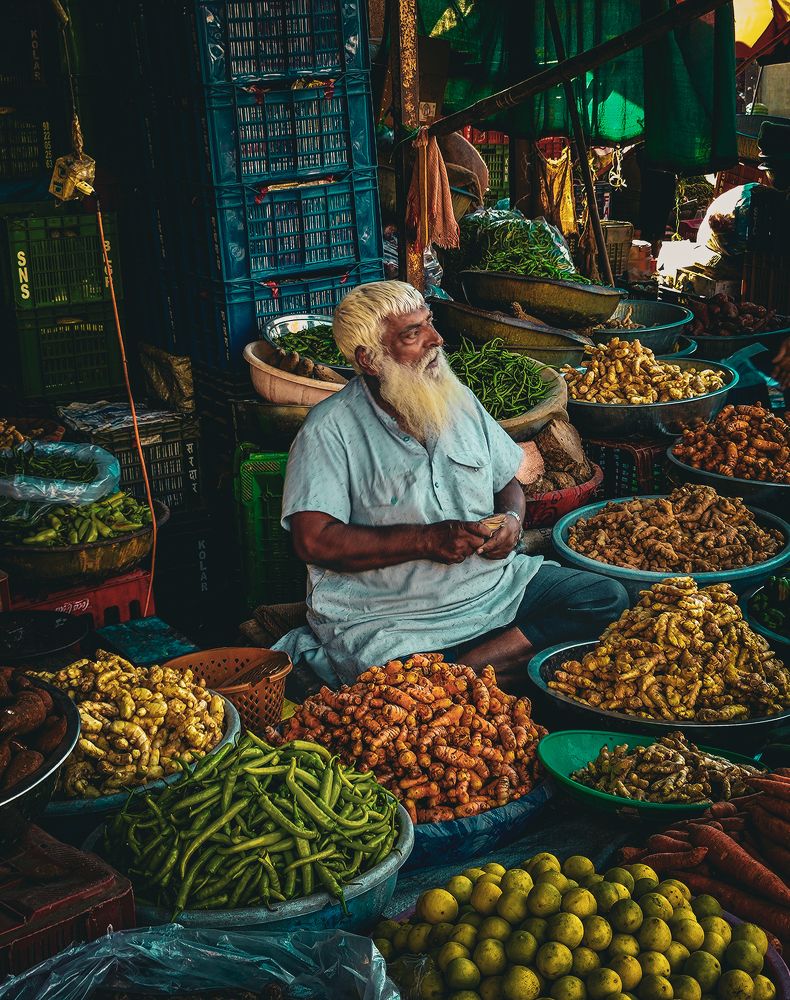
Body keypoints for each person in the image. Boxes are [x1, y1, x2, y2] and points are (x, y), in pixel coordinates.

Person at [272, 281, 628, 688]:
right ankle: (473, 676)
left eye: (430, 323)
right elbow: (313, 541)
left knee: (605, 600)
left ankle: (456, 678)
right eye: (413, 334)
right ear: (369, 359)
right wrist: (424, 540)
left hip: (492, 590)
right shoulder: (329, 430)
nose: (435, 340)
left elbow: (506, 480)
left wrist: (513, 520)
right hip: (390, 619)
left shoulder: (456, 398)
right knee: (390, 686)